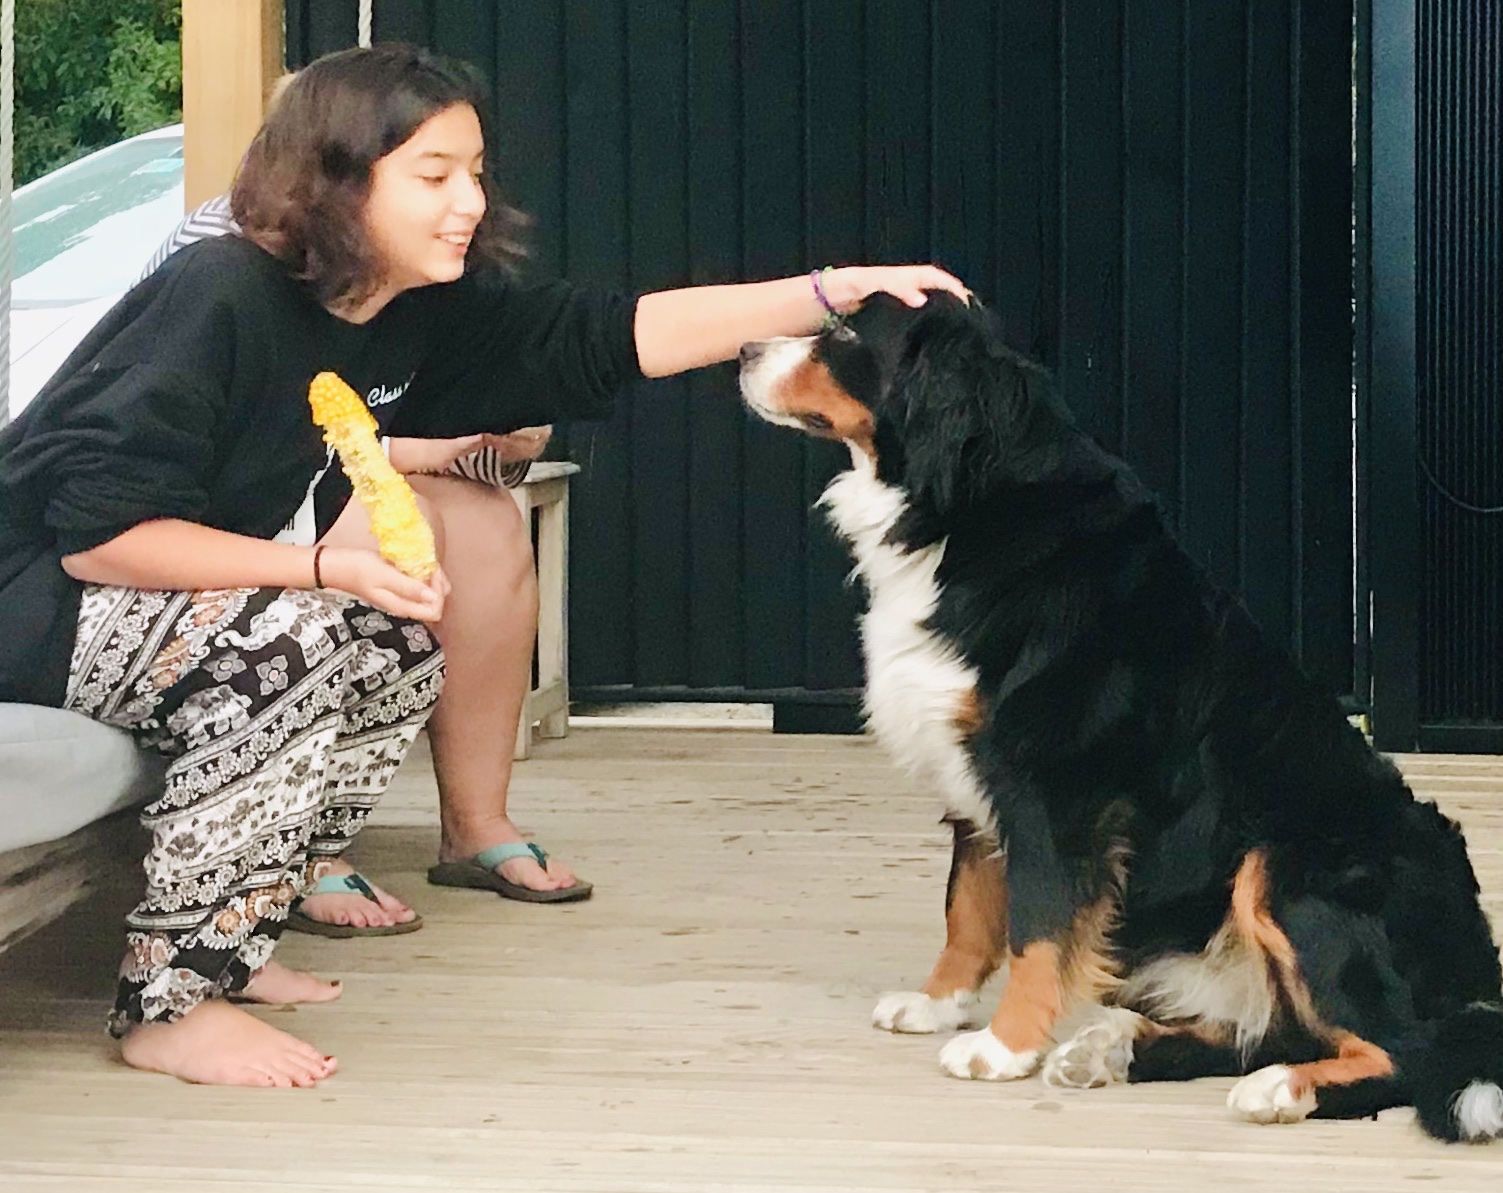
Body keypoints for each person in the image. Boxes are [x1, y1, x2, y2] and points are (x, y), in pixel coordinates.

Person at [0, 42, 967, 1088]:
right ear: (337, 177)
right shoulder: (220, 288)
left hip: (137, 605)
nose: (469, 200)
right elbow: (101, 534)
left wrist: (832, 291)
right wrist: (323, 570)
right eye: (433, 175)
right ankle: (172, 1003)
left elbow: (615, 334)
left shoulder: (404, 311)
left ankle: (239, 931)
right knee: (293, 639)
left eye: (473, 171)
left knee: (395, 635)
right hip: (41, 600)